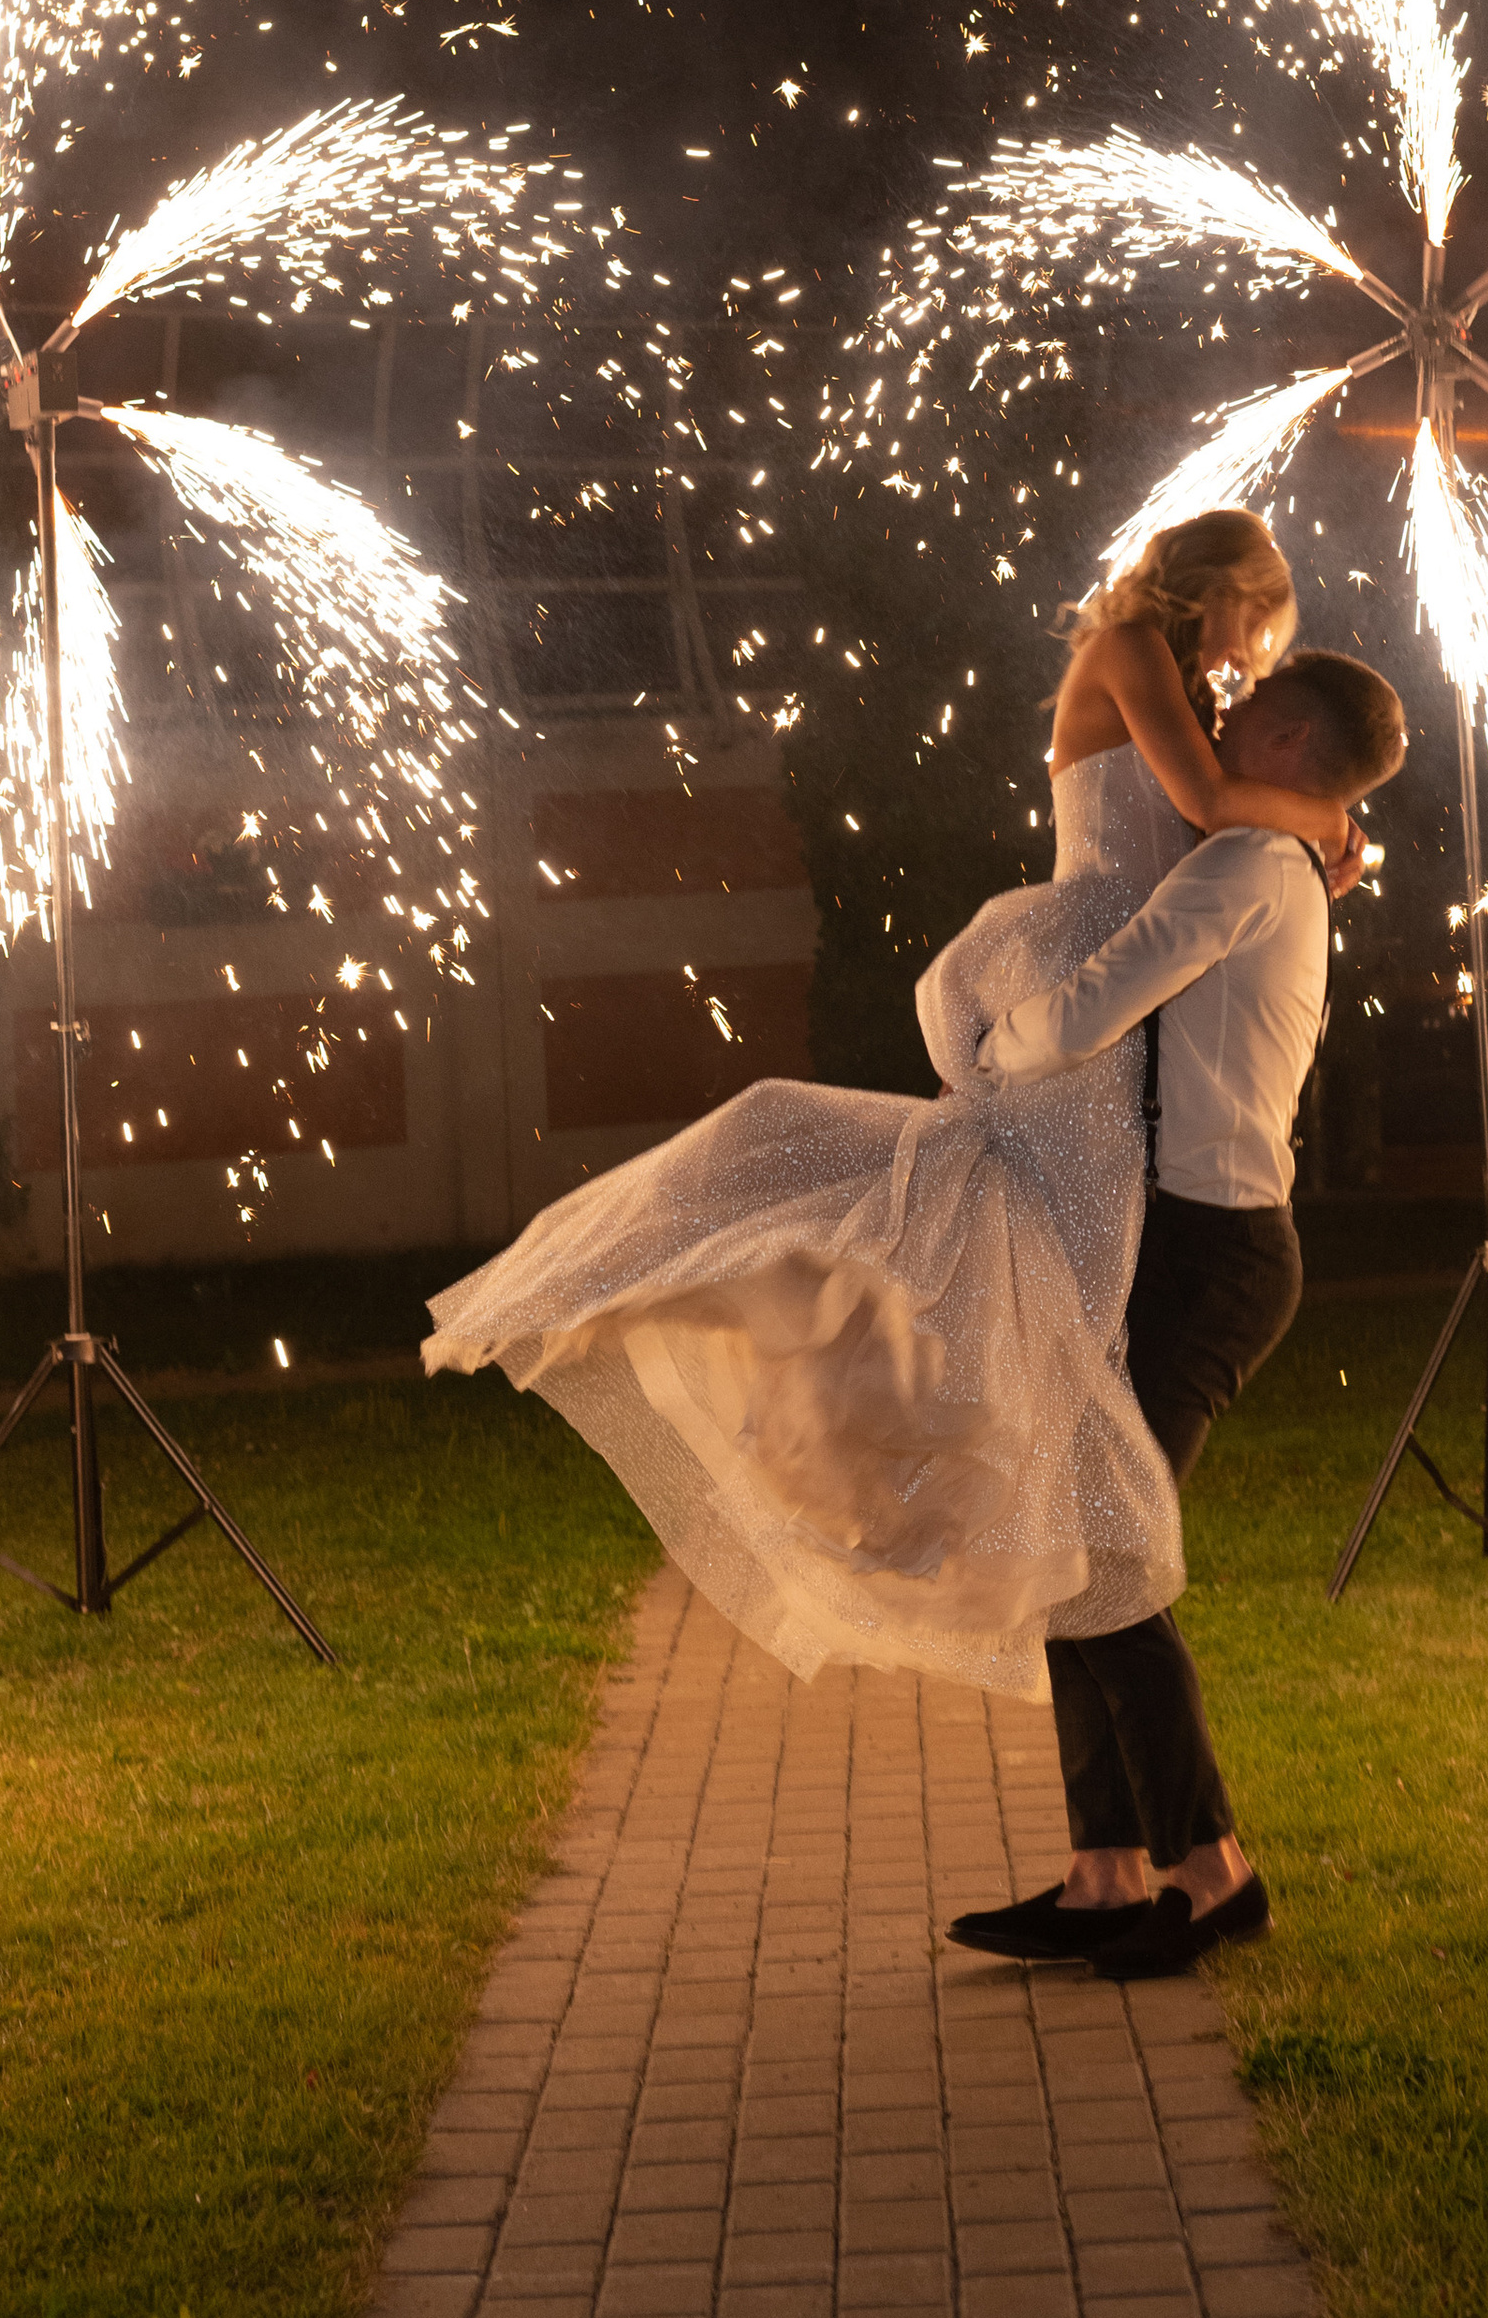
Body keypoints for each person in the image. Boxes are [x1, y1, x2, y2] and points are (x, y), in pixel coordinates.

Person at [422, 509, 1354, 1695]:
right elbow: (1215, 803)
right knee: (1031, 1262)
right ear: (1221, 584)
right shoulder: (1127, 648)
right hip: (1077, 973)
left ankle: (976, 1514)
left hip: (1112, 1006)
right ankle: (933, 1486)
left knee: (1032, 1267)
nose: (1246, 659)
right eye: (1248, 627)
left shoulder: (1185, 685)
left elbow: (1224, 840)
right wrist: (1325, 818)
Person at [947, 647, 1407, 1980]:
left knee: (1103, 1552)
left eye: (1246, 710)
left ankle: (1211, 1873)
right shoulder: (1291, 864)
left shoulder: (1241, 870)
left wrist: (984, 1044)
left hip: (1215, 1253)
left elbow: (1092, 1009)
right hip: (1195, 1243)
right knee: (1072, 1545)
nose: (1217, 716)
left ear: (1291, 736)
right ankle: (1103, 1875)